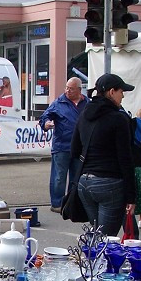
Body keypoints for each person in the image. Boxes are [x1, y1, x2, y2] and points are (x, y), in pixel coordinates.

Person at [70, 73, 135, 236]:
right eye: (122, 92)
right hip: (109, 182)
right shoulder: (118, 118)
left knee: (97, 236)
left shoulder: (84, 114)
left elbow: (74, 149)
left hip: (84, 182)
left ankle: (91, 261)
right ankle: (97, 261)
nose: (123, 96)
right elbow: (126, 158)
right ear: (112, 92)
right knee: (106, 240)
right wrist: (131, 196)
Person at [39, 77, 89, 213]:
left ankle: (71, 202)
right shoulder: (59, 102)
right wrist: (46, 124)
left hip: (80, 147)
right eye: (66, 87)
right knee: (59, 177)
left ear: (79, 90)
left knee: (76, 177)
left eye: (71, 88)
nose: (67, 91)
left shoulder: (87, 103)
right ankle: (57, 203)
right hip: (62, 146)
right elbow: (44, 117)